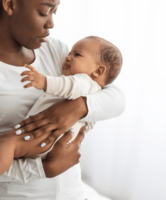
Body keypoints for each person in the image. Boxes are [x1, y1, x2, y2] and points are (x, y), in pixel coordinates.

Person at [0, 0, 125, 199]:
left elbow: (115, 97)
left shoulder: (53, 50)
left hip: (72, 192)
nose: (51, 23)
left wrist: (78, 107)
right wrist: (42, 168)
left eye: (54, 12)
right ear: (10, 4)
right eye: (43, 12)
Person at [0, 35, 123, 175]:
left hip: (46, 137)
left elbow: (69, 85)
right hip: (49, 140)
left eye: (77, 55)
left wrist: (44, 82)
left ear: (98, 71)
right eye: (70, 53)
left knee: (8, 144)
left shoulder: (84, 82)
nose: (68, 57)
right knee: (6, 145)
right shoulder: (93, 91)